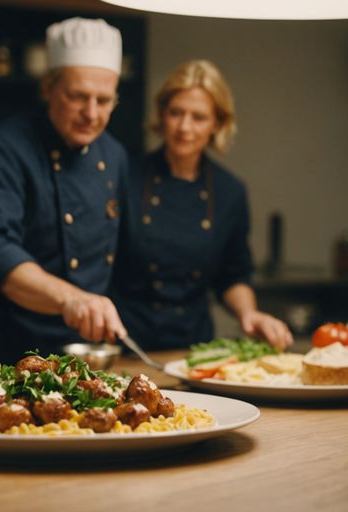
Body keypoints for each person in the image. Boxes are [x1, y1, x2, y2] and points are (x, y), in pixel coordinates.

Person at [0, 18, 130, 364]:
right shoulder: (5, 148)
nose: (91, 113)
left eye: (103, 100)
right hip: (6, 351)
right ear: (48, 88)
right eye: (77, 96)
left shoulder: (114, 155)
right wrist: (72, 299)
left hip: (84, 353)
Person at [112, 59, 292, 350]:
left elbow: (233, 274)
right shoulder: (125, 176)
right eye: (176, 113)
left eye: (198, 117)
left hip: (193, 347)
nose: (184, 127)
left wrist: (248, 313)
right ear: (162, 114)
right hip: (127, 343)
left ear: (217, 123)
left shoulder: (229, 191)